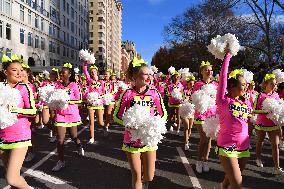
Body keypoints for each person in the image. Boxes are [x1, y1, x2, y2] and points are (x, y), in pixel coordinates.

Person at [113, 57, 167, 189]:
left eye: (150, 74)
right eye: (145, 74)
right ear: (135, 77)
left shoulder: (155, 93)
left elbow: (163, 114)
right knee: (136, 175)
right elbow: (117, 116)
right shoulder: (127, 94)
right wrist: (130, 125)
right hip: (132, 139)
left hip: (149, 139)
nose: (149, 77)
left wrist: (155, 125)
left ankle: (145, 182)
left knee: (149, 176)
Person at [0, 54, 37, 188]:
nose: (19, 72)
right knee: (10, 176)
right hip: (2, 136)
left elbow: (33, 111)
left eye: (21, 70)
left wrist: (16, 110)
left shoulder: (24, 88)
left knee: (12, 179)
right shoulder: (1, 87)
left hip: (20, 135)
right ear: (6, 72)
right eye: (15, 70)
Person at [216, 52, 252, 189]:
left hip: (244, 146)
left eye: (246, 84)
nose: (246, 87)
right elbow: (223, 77)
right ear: (232, 86)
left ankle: (222, 186)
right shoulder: (223, 100)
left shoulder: (246, 102)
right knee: (237, 184)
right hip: (227, 146)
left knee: (230, 180)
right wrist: (228, 56)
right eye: (243, 84)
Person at [52, 63, 84, 172]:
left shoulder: (75, 85)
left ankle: (79, 145)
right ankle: (61, 161)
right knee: (60, 139)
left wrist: (67, 100)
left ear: (69, 74)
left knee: (73, 135)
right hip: (60, 114)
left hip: (72, 114)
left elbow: (79, 100)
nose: (61, 75)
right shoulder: (57, 85)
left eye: (63, 73)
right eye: (60, 73)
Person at [254, 73, 283, 174]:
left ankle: (277, 167)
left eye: (275, 84)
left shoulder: (276, 95)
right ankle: (258, 158)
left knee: (275, 145)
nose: (274, 86)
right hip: (261, 123)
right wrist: (265, 112)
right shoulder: (260, 95)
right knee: (260, 142)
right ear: (265, 84)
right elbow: (254, 110)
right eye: (272, 84)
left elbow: (279, 109)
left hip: (273, 125)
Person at [192, 61, 218, 173]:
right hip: (200, 115)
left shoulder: (216, 84)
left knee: (209, 139)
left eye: (211, 70)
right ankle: (198, 161)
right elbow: (194, 99)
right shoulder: (198, 84)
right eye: (206, 69)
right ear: (201, 71)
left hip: (212, 115)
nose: (209, 72)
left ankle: (205, 160)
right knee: (204, 137)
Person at [83, 62, 105, 144]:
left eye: (94, 72)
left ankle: (104, 127)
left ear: (97, 72)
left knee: (100, 122)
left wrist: (99, 97)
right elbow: (85, 72)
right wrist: (85, 63)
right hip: (91, 104)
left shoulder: (101, 82)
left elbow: (103, 92)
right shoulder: (90, 80)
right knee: (91, 122)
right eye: (91, 72)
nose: (92, 73)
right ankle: (92, 138)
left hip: (99, 103)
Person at [181, 75, 196, 150]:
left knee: (190, 127)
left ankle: (187, 139)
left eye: (193, 84)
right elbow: (181, 99)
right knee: (186, 127)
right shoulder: (184, 90)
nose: (192, 85)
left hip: (192, 111)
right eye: (190, 83)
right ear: (187, 84)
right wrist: (185, 99)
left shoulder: (194, 91)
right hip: (184, 111)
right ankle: (186, 142)